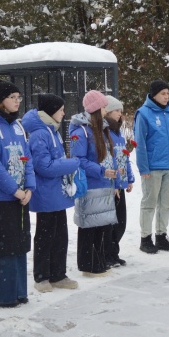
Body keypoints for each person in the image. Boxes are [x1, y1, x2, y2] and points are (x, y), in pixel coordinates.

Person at [0, 80, 36, 307]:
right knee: (2, 246)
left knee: (19, 245)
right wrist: (14, 190)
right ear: (1, 99)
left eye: (19, 97)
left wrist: (29, 187)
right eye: (12, 97)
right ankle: (1, 294)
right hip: (2, 197)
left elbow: (27, 157)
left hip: (21, 197)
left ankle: (19, 290)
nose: (17, 101)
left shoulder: (17, 125)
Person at [21, 94, 81, 291]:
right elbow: (43, 166)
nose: (64, 113)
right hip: (46, 193)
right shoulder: (40, 134)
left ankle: (58, 274)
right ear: (51, 111)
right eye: (61, 109)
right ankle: (42, 276)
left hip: (57, 192)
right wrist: (71, 164)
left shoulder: (52, 130)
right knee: (45, 235)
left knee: (60, 235)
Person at [69, 90, 118, 276]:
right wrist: (100, 170)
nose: (106, 110)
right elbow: (79, 159)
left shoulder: (101, 129)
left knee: (101, 224)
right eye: (104, 107)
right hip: (91, 185)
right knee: (89, 225)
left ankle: (98, 259)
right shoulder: (82, 132)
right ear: (96, 109)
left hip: (104, 183)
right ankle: (88, 263)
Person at [133, 80, 169, 253]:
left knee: (166, 203)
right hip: (153, 167)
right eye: (163, 93)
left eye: (168, 93)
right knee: (149, 203)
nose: (166, 97)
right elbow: (139, 143)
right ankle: (145, 238)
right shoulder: (143, 114)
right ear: (154, 94)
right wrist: (143, 168)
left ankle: (161, 236)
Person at [104, 96, 135, 267]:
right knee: (111, 221)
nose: (120, 114)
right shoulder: (105, 132)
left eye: (121, 111)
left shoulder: (119, 132)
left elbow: (124, 157)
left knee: (121, 221)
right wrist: (116, 183)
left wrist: (129, 178)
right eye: (117, 110)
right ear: (107, 111)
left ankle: (114, 251)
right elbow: (110, 160)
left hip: (120, 183)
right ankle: (108, 253)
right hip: (111, 184)